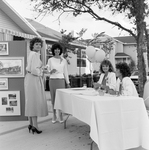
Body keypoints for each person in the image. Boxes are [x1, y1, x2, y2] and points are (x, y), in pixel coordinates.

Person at [24, 37, 48, 134]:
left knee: (30, 101)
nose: (38, 46)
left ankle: (31, 124)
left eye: (39, 44)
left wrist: (40, 69)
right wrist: (42, 71)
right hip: (33, 78)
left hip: (29, 78)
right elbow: (35, 70)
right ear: (32, 45)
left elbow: (30, 68)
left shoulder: (31, 54)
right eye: (36, 44)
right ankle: (35, 126)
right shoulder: (35, 55)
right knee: (34, 101)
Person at [46, 43, 71, 124]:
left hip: (61, 80)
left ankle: (60, 115)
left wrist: (68, 83)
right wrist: (50, 71)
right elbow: (47, 70)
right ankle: (54, 115)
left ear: (60, 50)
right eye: (55, 49)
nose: (57, 51)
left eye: (58, 49)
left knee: (60, 99)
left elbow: (66, 72)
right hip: (52, 80)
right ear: (53, 50)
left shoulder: (64, 60)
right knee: (53, 99)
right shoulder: (50, 60)